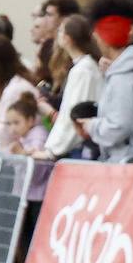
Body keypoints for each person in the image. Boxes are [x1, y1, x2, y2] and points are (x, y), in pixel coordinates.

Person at [80, 0, 133, 162]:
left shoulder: (122, 79)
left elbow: (119, 126)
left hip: (128, 166)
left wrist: (90, 126)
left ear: (100, 37)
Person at [43, 15, 103, 159]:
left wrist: (53, 150)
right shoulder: (84, 67)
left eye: (60, 31)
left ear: (68, 38)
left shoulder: (83, 70)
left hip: (78, 149)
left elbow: (73, 114)